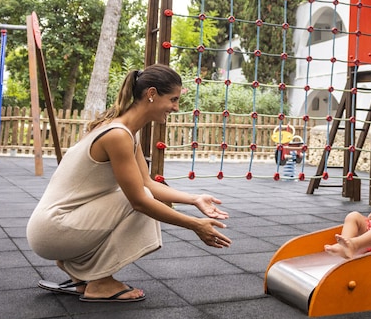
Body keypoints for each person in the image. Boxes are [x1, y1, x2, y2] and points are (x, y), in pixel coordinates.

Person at [27, 65, 231, 303]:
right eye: (173, 99)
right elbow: (140, 201)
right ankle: (100, 282)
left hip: (52, 227)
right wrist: (195, 225)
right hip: (53, 229)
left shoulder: (125, 131)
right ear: (151, 94)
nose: (176, 107)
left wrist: (194, 199)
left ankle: (80, 275)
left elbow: (147, 183)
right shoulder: (118, 135)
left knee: (142, 193)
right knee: (141, 201)